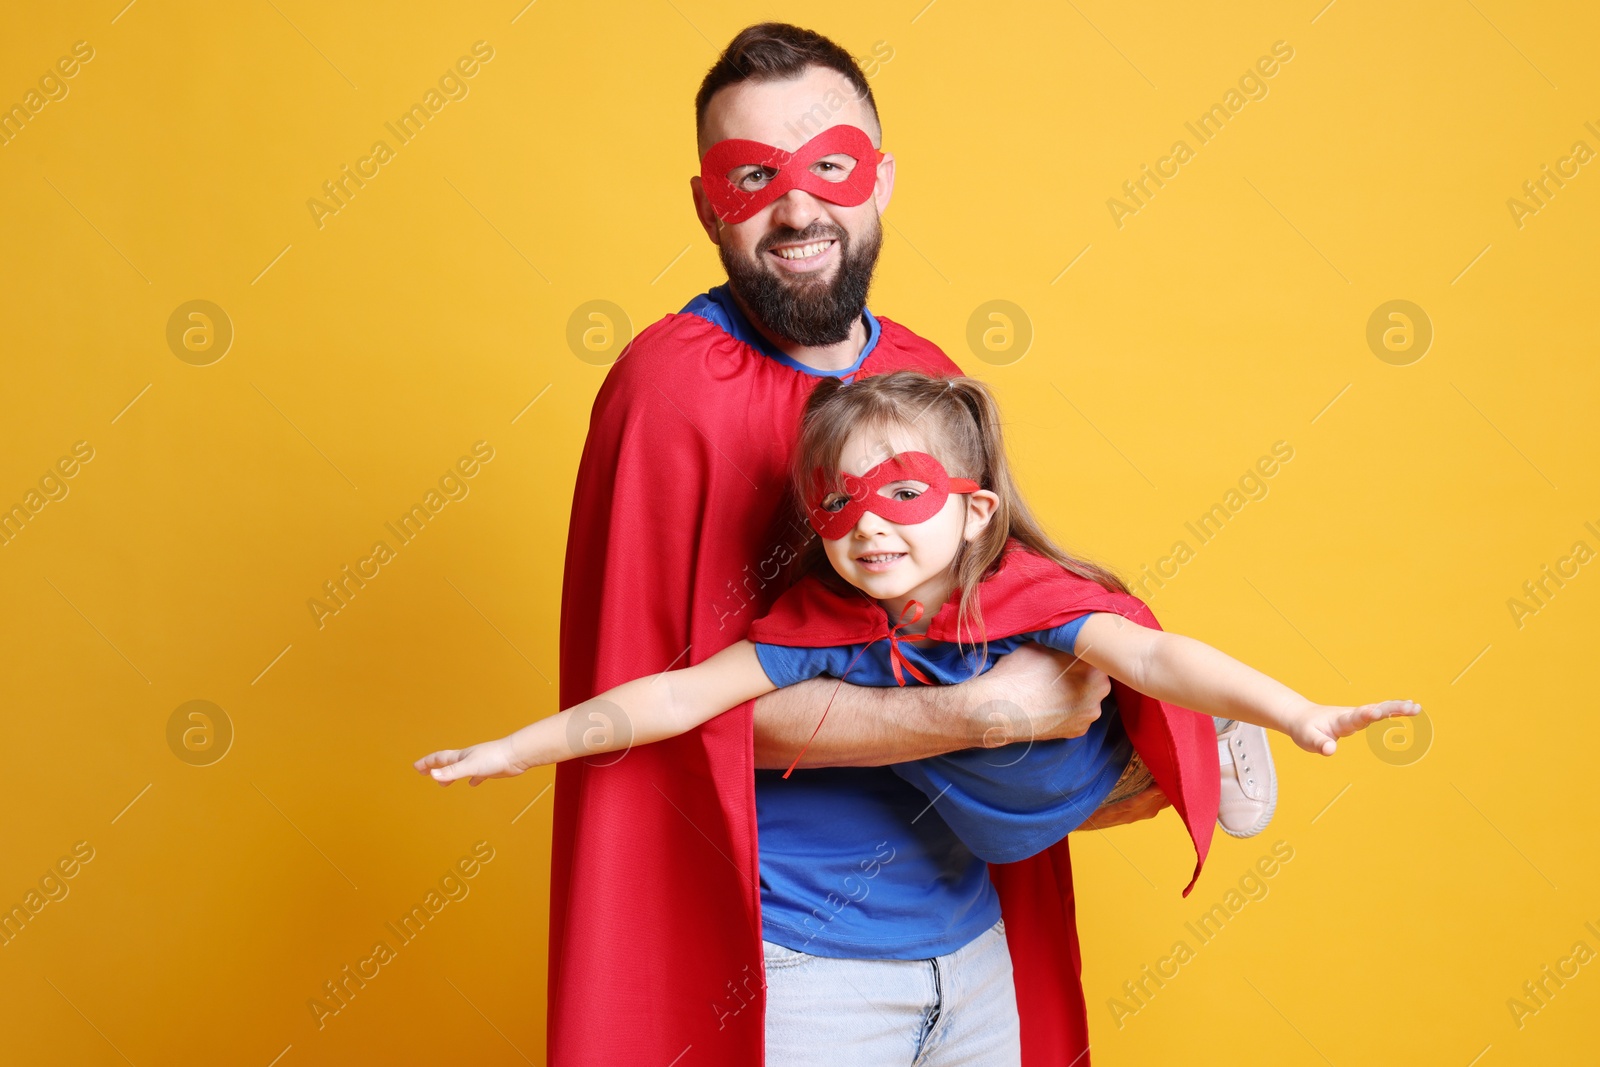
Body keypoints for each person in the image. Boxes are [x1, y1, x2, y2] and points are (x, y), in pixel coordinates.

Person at [453, 22, 1208, 1067]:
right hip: (796, 975)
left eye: (830, 168)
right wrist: (975, 714)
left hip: (972, 947)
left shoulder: (921, 374)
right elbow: (682, 709)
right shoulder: (670, 389)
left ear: (881, 180)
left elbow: (1001, 591)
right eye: (753, 176)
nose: (798, 208)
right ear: (706, 204)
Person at [418, 369, 1421, 1062]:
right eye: (838, 504)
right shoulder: (825, 620)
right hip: (997, 814)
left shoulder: (1025, 591)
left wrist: (1298, 711)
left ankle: (1214, 739)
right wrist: (519, 745)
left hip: (1094, 767)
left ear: (974, 510)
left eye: (904, 494)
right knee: (982, 806)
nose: (869, 525)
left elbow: (1154, 651)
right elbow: (680, 694)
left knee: (1112, 723)